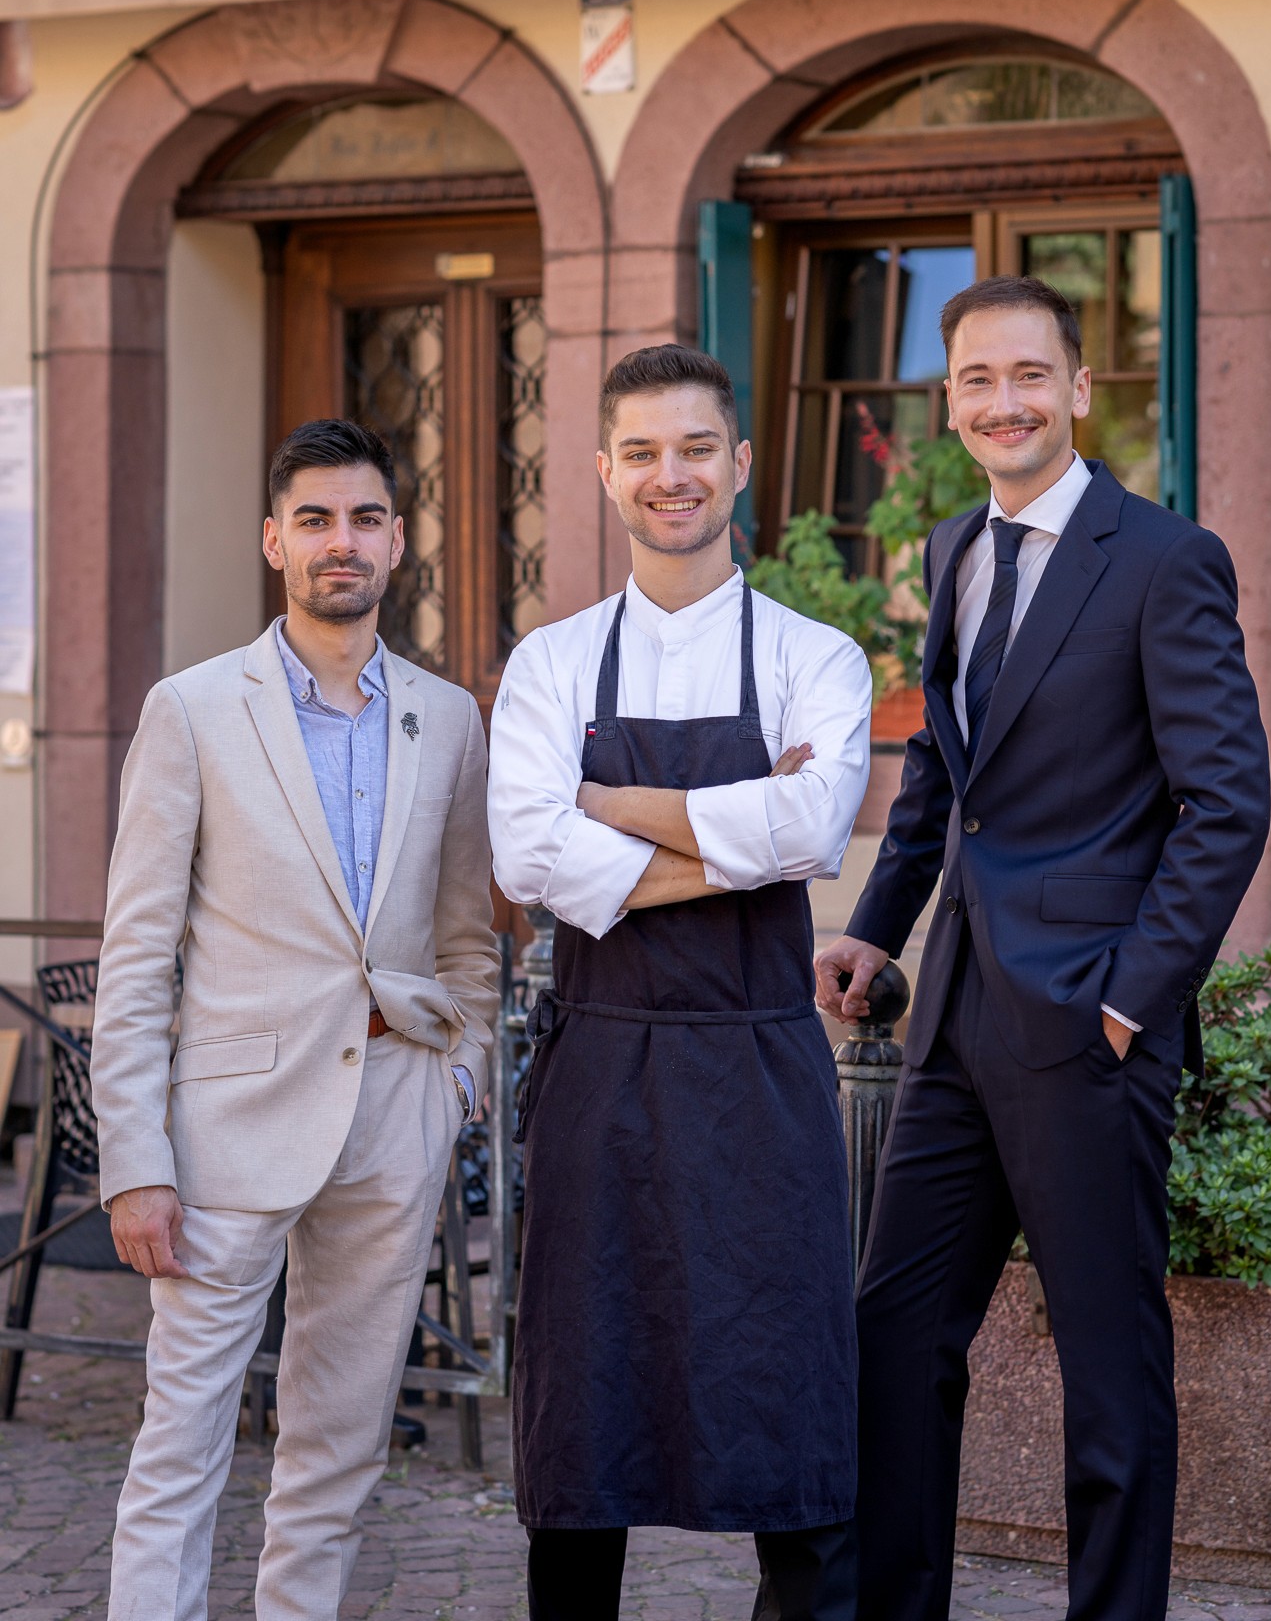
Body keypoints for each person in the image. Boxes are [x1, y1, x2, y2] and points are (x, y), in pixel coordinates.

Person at [818, 275, 1271, 1621]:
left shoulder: (1165, 560)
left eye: (1029, 374)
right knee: (896, 1336)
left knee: (1108, 1370)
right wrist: (875, 925)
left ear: (1078, 388)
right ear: (950, 400)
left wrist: (1130, 1001)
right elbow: (944, 769)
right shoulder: (955, 547)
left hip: (1087, 1030)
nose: (1002, 401)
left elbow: (1226, 804)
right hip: (954, 1015)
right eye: (976, 378)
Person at [91, 417, 500, 1621]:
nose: (341, 541)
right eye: (314, 519)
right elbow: (136, 954)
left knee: (339, 1446)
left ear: (398, 540)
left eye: (365, 517)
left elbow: (468, 934)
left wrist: (456, 1079)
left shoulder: (448, 717)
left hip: (394, 1117)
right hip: (227, 1131)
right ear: (274, 540)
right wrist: (135, 1160)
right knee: (180, 1445)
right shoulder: (192, 708)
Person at [489, 344, 872, 1621]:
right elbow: (526, 856)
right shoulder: (551, 661)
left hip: (762, 1063)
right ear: (605, 470)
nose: (673, 474)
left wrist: (609, 807)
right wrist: (736, 831)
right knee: (583, 1404)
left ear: (740, 462)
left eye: (697, 447)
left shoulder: (817, 654)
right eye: (644, 451)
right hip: (600, 1065)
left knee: (791, 1394)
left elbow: (816, 828)